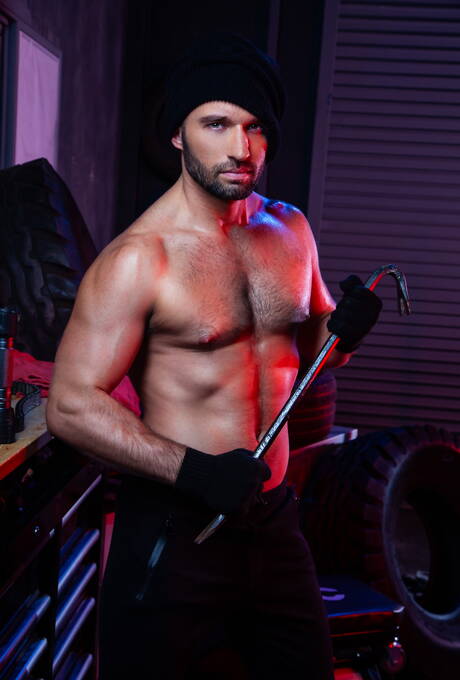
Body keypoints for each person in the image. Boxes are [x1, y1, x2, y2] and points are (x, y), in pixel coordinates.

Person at [46, 33, 382, 680]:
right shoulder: (140, 259)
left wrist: (343, 331)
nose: (240, 148)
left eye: (255, 127)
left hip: (273, 522)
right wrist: (193, 471)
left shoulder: (291, 230)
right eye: (217, 124)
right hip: (177, 530)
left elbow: (310, 356)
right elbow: (69, 405)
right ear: (178, 134)